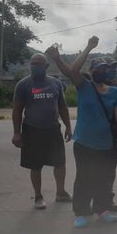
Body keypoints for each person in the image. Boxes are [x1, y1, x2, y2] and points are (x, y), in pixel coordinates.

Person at [46, 37, 117, 228]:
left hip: (105, 143)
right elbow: (73, 71)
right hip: (84, 142)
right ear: (92, 72)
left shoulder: (113, 92)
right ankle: (81, 212)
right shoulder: (84, 87)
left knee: (103, 178)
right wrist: (89, 47)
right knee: (84, 177)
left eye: (105, 70)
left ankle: (102, 210)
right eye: (98, 69)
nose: (102, 72)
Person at [11, 53, 73, 210]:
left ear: (46, 66)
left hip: (53, 129)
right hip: (32, 130)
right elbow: (17, 110)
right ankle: (38, 196)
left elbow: (63, 107)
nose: (35, 66)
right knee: (35, 165)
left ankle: (60, 192)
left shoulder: (56, 84)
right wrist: (17, 133)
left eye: (39, 64)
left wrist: (68, 127)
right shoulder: (23, 85)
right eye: (33, 63)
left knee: (60, 162)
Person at [104, 57, 117, 212]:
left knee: (110, 170)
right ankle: (94, 200)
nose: (113, 70)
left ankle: (107, 200)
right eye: (110, 68)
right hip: (97, 133)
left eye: (115, 68)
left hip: (114, 133)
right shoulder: (94, 85)